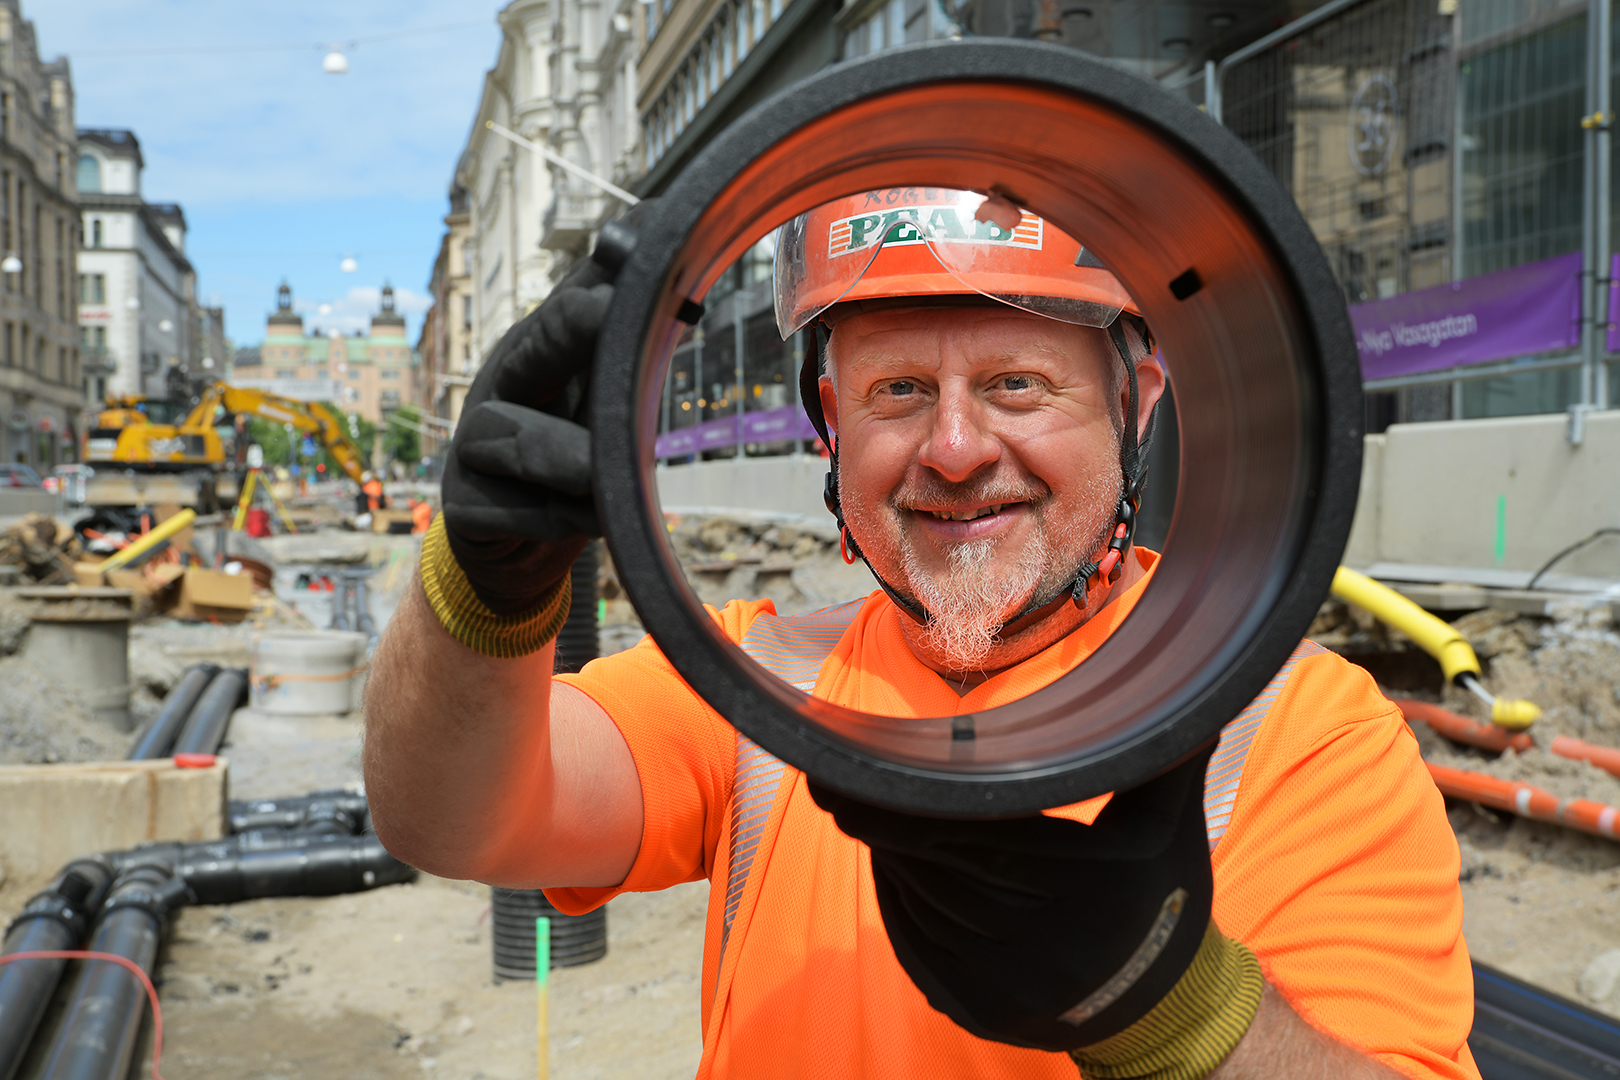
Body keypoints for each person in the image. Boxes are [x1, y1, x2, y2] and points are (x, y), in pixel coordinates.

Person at [365, 190, 1478, 1079]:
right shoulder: (758, 679)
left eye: (1016, 383)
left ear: (1137, 404)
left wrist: (1177, 1018)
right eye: (898, 390)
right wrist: (480, 586)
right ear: (830, 430)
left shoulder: (1293, 727)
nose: (953, 448)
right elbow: (453, 820)